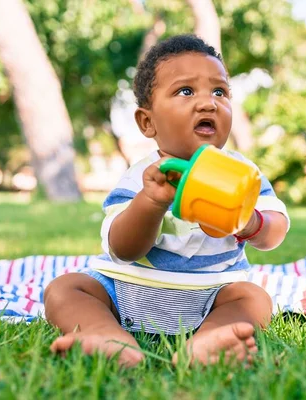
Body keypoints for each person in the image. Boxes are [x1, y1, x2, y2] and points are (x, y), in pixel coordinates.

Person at [43, 34, 290, 368]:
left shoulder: (243, 172)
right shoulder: (141, 177)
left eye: (220, 91)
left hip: (212, 294)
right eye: (185, 91)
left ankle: (205, 344)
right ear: (148, 122)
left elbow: (275, 232)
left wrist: (250, 222)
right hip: (129, 290)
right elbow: (123, 249)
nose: (208, 103)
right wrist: (151, 202)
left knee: (254, 299)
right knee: (65, 288)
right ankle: (108, 337)